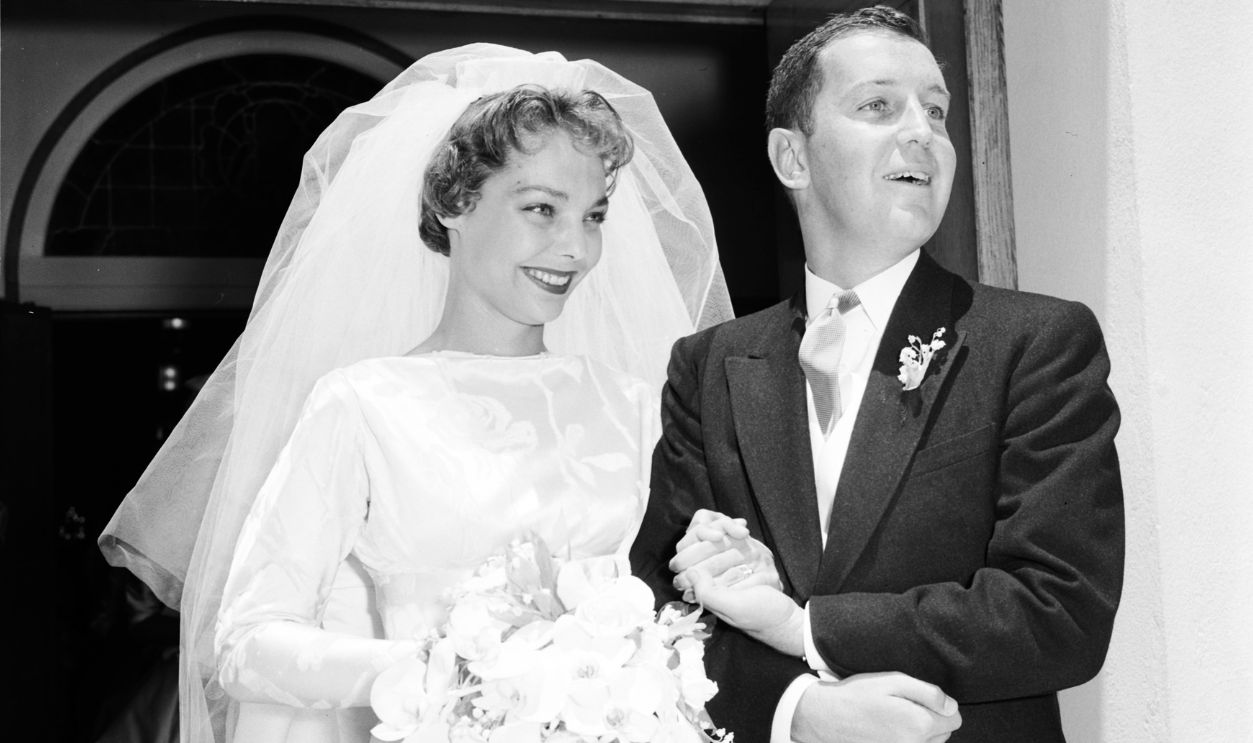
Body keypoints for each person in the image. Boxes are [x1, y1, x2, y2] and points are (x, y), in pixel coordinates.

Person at [99, 44, 732, 743]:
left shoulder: (634, 405)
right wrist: (450, 673)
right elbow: (246, 641)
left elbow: (686, 609)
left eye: (593, 216)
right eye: (541, 208)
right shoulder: (364, 405)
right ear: (454, 202)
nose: (576, 249)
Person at [630, 6, 1124, 743]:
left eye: (936, 111)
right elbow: (658, 605)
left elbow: (1061, 610)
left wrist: (806, 629)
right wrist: (796, 709)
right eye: (878, 106)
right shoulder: (708, 366)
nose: (922, 132)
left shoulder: (1036, 343)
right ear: (792, 158)